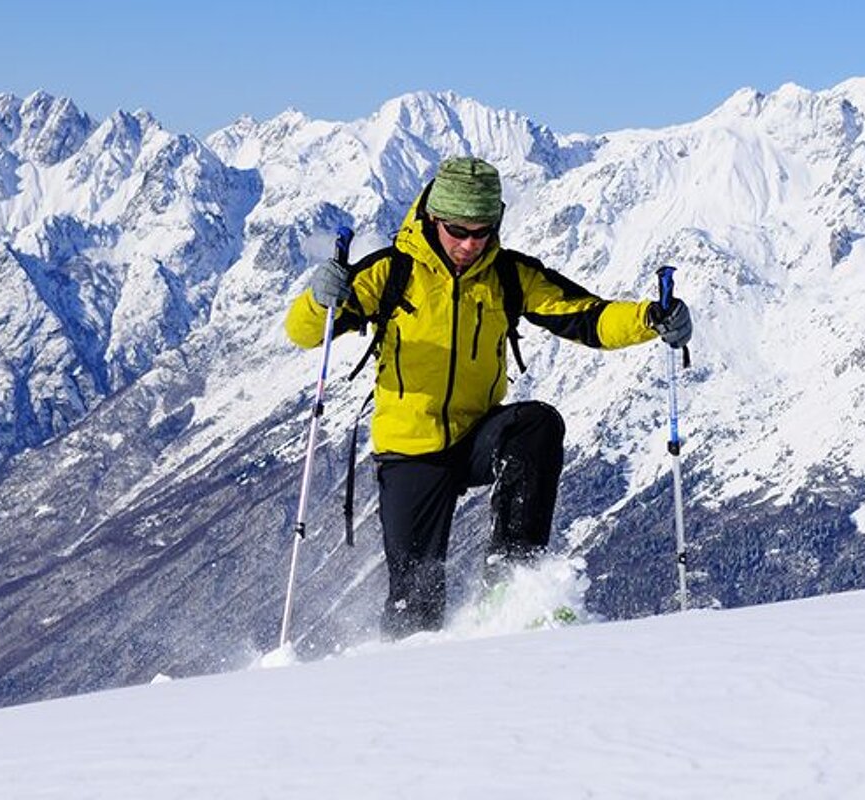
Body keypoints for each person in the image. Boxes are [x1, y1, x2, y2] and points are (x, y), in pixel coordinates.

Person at [285, 156, 692, 638]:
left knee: (537, 424)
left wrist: (651, 319)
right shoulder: (390, 274)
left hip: (478, 433)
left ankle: (511, 583)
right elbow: (308, 333)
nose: (469, 244)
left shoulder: (508, 275)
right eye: (458, 230)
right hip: (410, 451)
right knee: (415, 606)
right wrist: (319, 298)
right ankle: (402, 686)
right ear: (433, 218)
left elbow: (585, 316)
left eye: (482, 231)